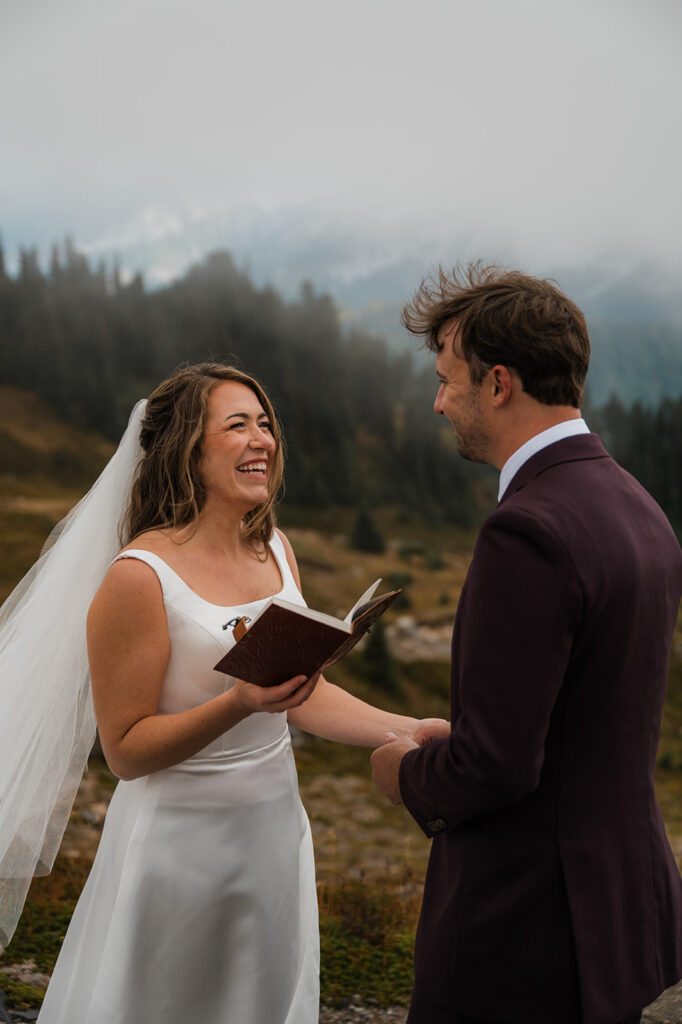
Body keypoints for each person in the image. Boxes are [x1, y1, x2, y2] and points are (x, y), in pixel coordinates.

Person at [0, 362, 440, 1024]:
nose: (262, 439)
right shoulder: (139, 577)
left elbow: (304, 693)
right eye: (238, 425)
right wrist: (236, 703)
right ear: (188, 449)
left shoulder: (276, 550)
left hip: (272, 833)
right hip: (178, 849)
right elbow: (124, 751)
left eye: (265, 423)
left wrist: (406, 727)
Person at [370, 265, 682, 1024]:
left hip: (523, 933)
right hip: (616, 911)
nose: (439, 402)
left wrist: (405, 773)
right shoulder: (638, 506)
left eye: (447, 381)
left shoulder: (527, 530)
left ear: (499, 384)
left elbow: (498, 766)